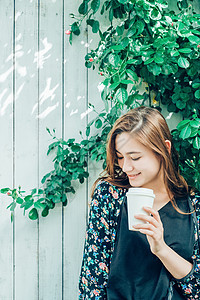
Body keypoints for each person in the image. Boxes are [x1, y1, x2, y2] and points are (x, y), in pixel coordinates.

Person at [79, 106, 200, 300]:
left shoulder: (193, 207)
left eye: (135, 157)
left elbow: (196, 289)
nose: (126, 167)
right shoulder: (110, 196)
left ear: (165, 149)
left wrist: (161, 249)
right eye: (120, 157)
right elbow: (91, 283)